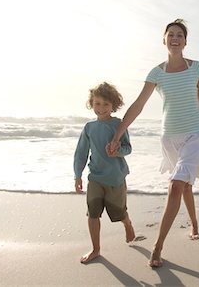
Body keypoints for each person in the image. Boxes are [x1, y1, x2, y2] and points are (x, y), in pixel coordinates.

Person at [108, 19, 199, 268]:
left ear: (185, 41)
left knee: (176, 185)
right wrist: (117, 135)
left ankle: (157, 247)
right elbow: (138, 105)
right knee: (185, 187)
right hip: (169, 137)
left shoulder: (196, 67)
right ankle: (195, 223)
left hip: (196, 134)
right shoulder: (156, 73)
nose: (175, 38)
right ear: (164, 40)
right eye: (171, 35)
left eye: (180, 35)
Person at [74, 82, 136, 264]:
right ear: (91, 104)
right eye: (97, 103)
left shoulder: (119, 125)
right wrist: (78, 175)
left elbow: (128, 148)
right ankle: (96, 249)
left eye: (106, 104)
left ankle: (127, 223)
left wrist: (117, 151)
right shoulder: (89, 128)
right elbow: (81, 152)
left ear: (113, 106)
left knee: (118, 212)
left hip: (115, 177)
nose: (101, 108)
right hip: (95, 177)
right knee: (92, 214)